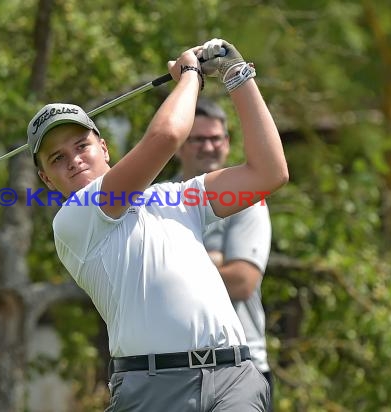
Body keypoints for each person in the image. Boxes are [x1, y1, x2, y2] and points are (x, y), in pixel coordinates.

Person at [26, 38, 288, 411]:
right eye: (57, 158)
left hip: (235, 378)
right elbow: (167, 136)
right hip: (153, 389)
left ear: (103, 147)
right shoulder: (75, 218)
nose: (74, 160)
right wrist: (190, 76)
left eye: (81, 145)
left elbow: (269, 173)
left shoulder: (176, 197)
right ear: (47, 179)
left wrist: (237, 76)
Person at [172, 96, 275, 410]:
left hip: (240, 366)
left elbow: (243, 282)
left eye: (216, 138)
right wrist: (214, 259)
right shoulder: (162, 200)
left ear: (228, 143)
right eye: (198, 139)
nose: (209, 146)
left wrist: (178, 263)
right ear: (179, 146)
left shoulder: (248, 198)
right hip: (175, 371)